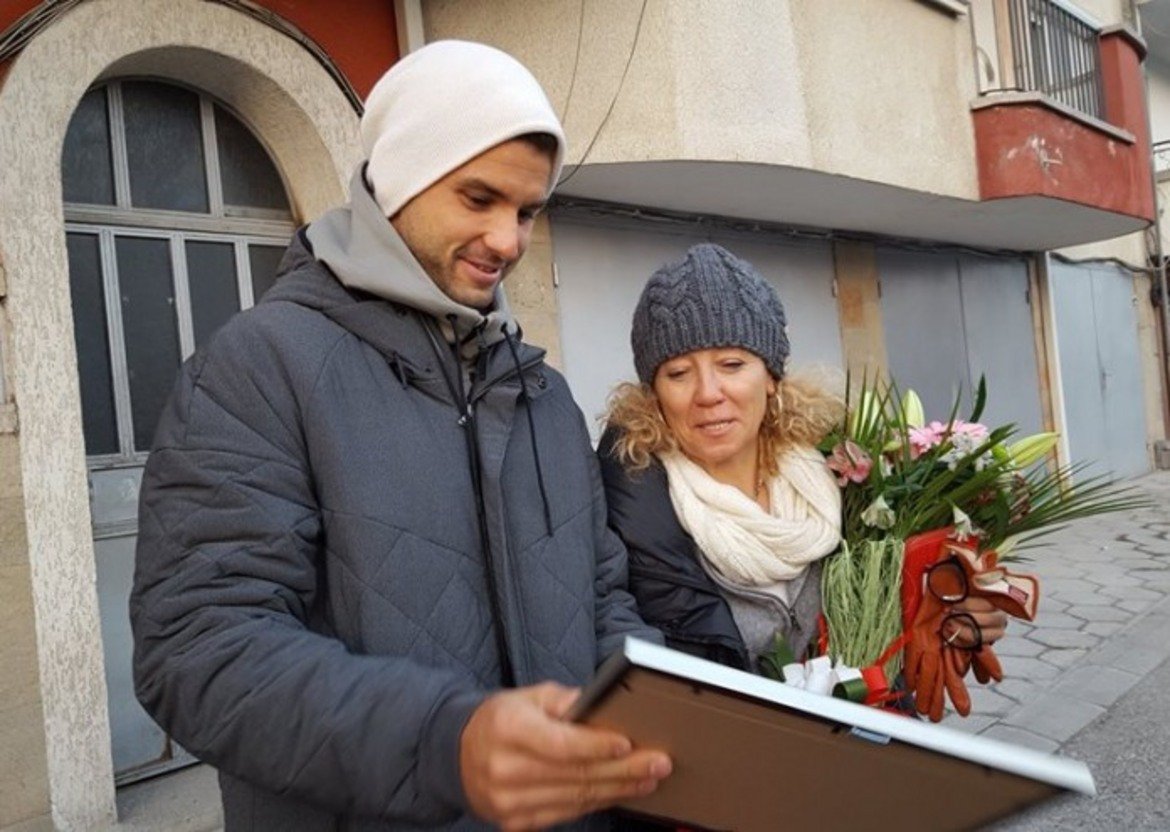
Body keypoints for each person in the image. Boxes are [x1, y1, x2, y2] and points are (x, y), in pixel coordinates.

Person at [130, 40, 670, 832]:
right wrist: (443, 747)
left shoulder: (544, 398)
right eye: (478, 198)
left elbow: (600, 603)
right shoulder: (258, 367)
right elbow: (199, 650)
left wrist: (686, 722)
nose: (509, 240)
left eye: (526, 211)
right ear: (397, 181)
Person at [597, 243, 1007, 682]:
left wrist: (953, 616)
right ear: (654, 394)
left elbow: (895, 623)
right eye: (678, 373)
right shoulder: (622, 512)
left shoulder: (844, 479)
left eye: (732, 364)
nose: (708, 392)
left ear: (771, 377)